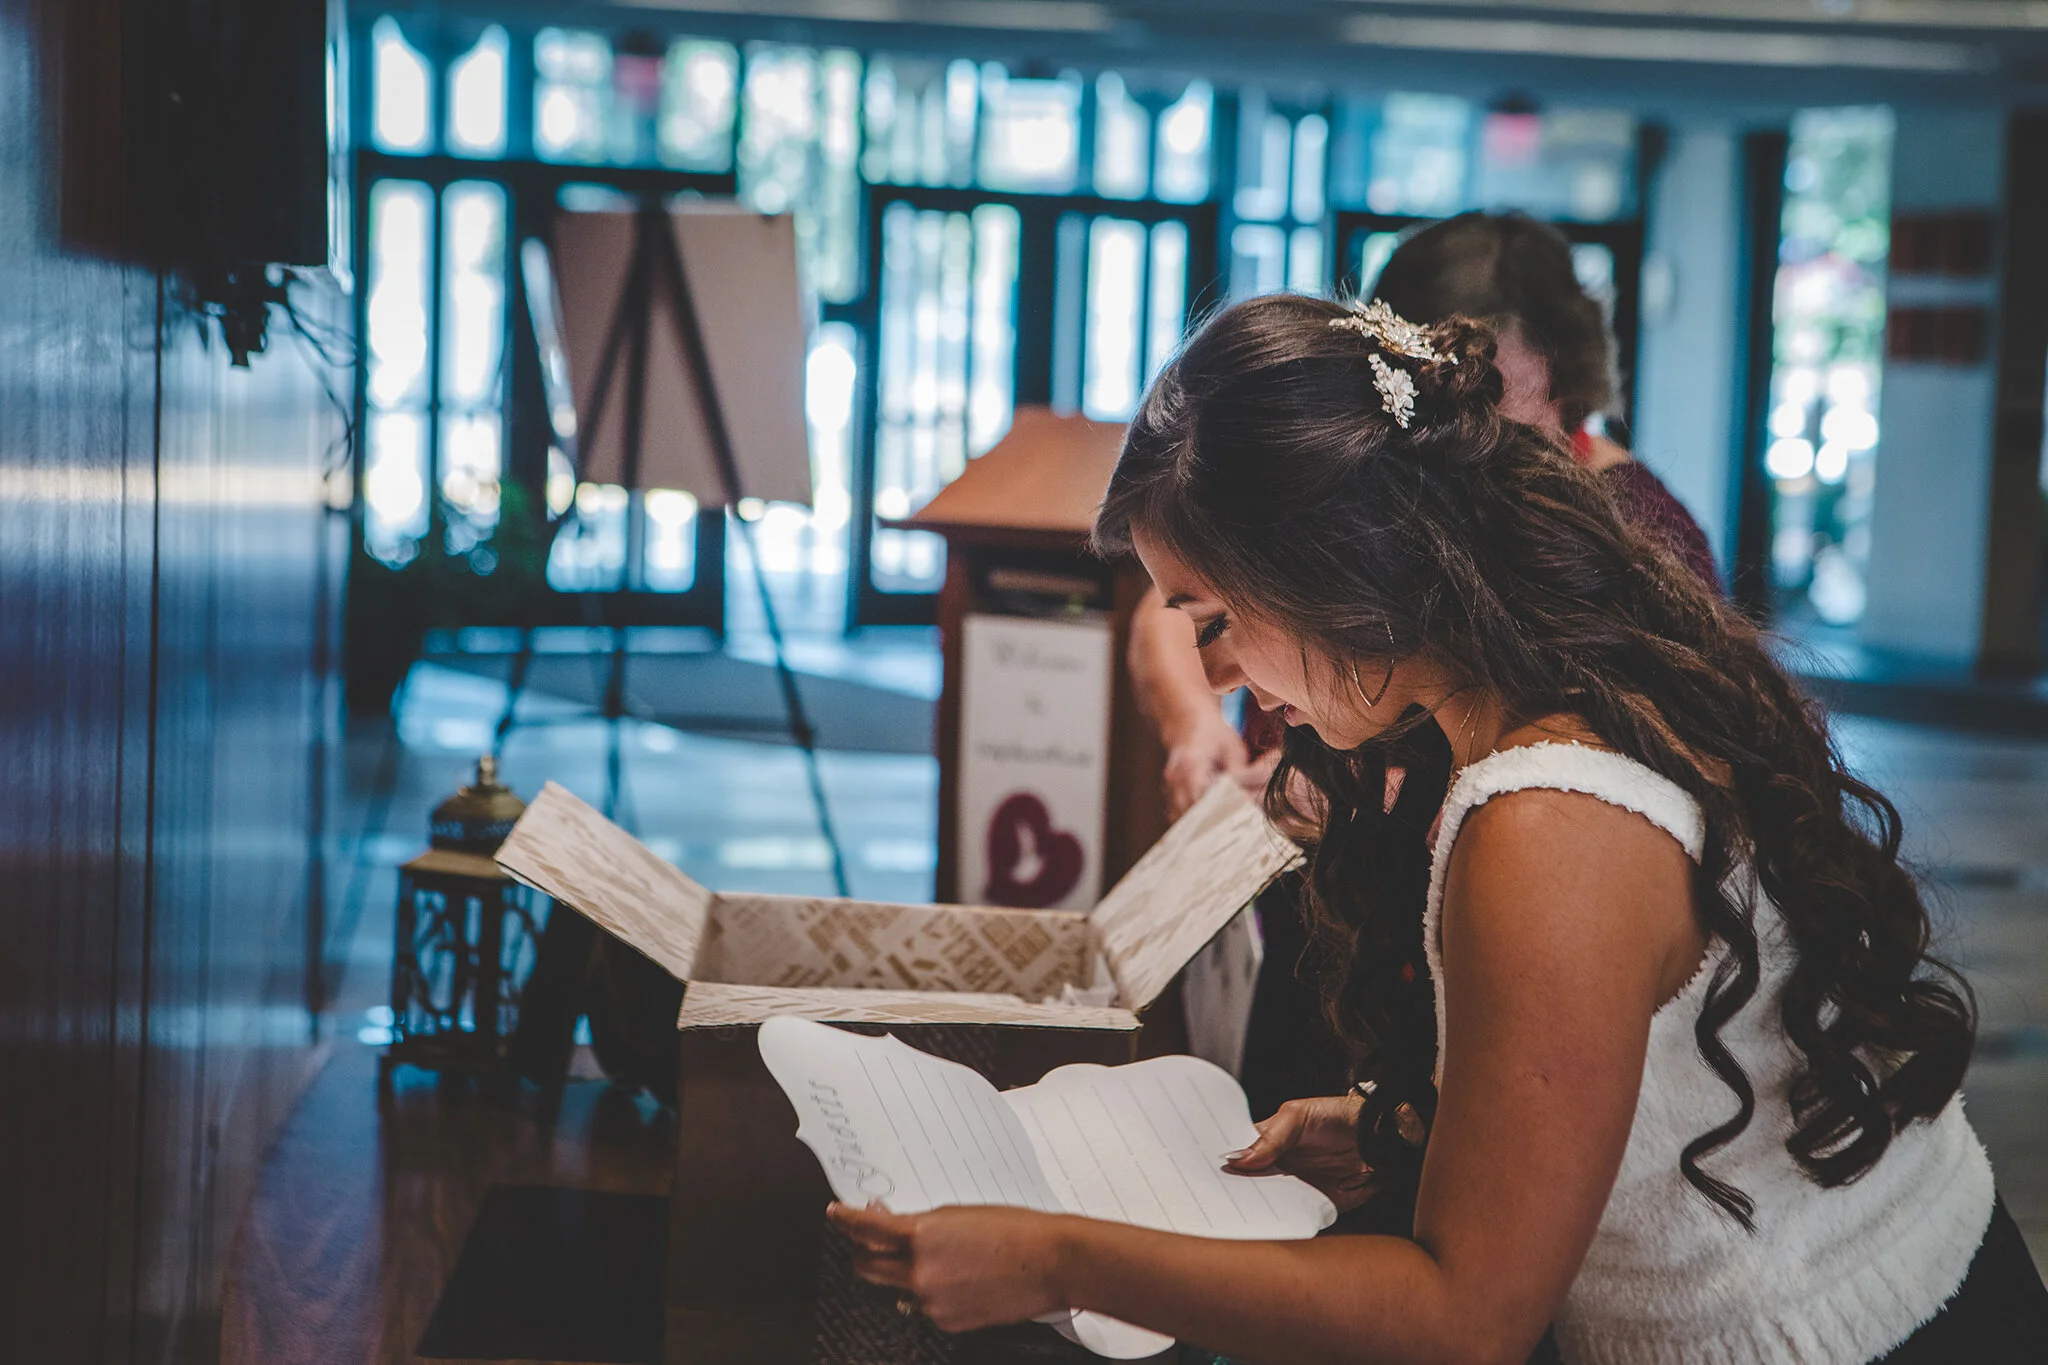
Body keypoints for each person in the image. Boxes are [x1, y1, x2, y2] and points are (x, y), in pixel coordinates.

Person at [829, 298, 2047, 1363]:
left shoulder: (1549, 821)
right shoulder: (1552, 692)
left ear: (1324, 569)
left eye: (1214, 620)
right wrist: (1409, 1128)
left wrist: (1058, 1259)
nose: (1223, 679)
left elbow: (1465, 1322)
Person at [1133, 211, 1720, 1124]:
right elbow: (1177, 597)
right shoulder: (1391, 515)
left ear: (1559, 371)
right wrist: (1198, 731)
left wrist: (1369, 793)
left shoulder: (1543, 807)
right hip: (1350, 906)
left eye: (1489, 378)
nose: (1461, 407)